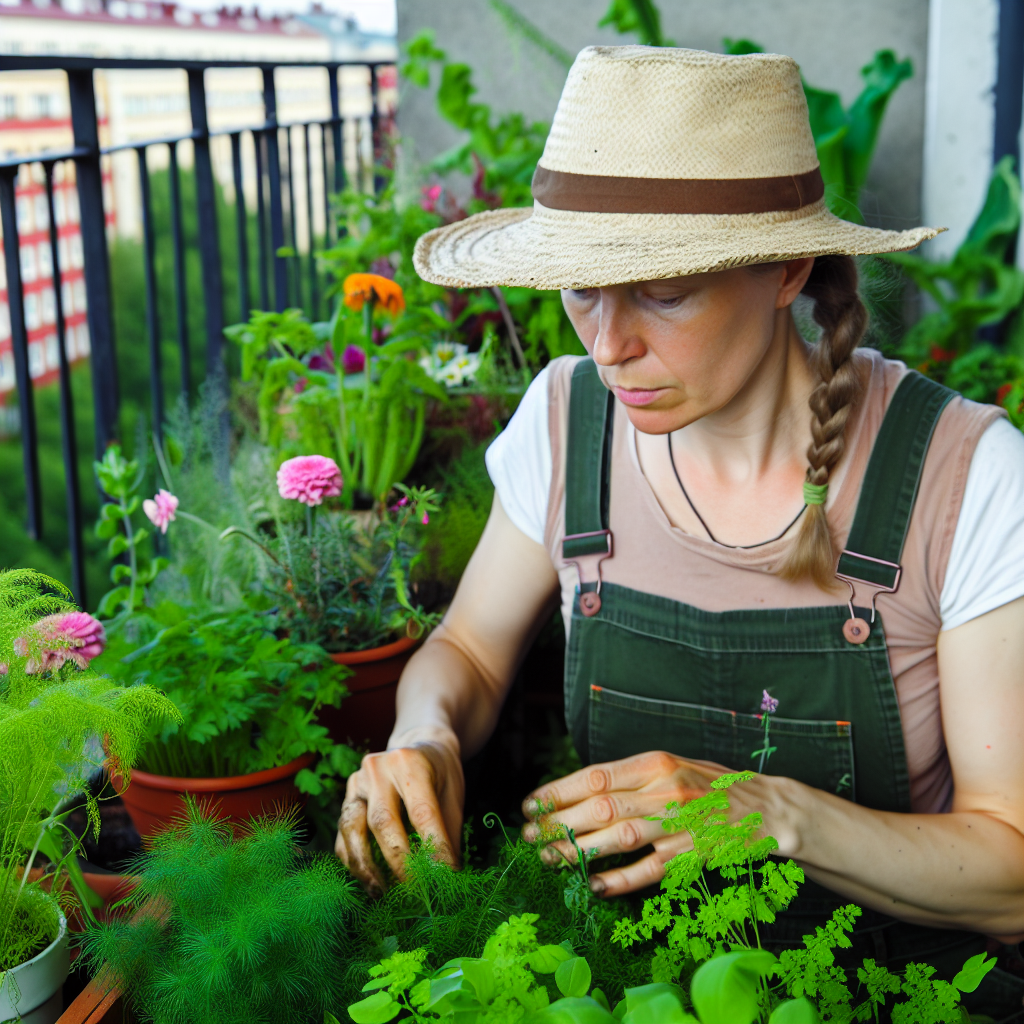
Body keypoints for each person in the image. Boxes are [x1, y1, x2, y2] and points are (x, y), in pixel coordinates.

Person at [335, 45, 1024, 1013]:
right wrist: (427, 734)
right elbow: (471, 655)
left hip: (889, 992)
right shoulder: (564, 422)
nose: (607, 342)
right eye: (580, 287)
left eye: (662, 291)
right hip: (628, 986)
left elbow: (1010, 870)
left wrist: (766, 810)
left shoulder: (965, 475)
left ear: (785, 267)